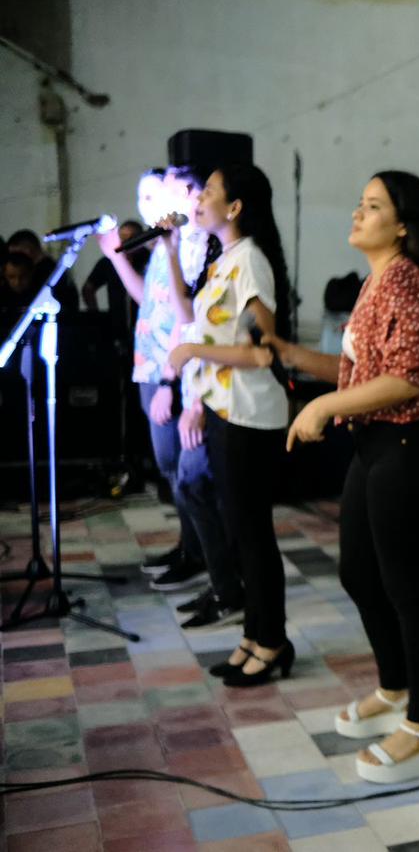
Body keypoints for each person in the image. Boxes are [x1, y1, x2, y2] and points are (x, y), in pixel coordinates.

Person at [266, 171, 419, 783]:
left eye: (373, 206)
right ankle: (395, 688)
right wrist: (294, 357)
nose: (358, 213)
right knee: (359, 571)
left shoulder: (405, 278)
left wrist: (322, 406)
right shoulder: (377, 281)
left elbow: (406, 378)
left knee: (405, 584)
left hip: (411, 442)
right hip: (379, 441)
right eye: (359, 202)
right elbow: (363, 371)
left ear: (403, 224)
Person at [168, 164, 292, 685]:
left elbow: (264, 352)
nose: (199, 199)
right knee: (241, 533)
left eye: (209, 192)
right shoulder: (225, 261)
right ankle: (253, 634)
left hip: (251, 415)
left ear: (235, 206)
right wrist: (169, 246)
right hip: (224, 411)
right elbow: (189, 314)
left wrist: (195, 350)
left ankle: (272, 642)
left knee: (253, 534)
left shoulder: (251, 263)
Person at [96, 168, 227, 610]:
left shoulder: (200, 247)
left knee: (189, 473)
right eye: (145, 197)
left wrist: (171, 383)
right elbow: (150, 302)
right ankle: (191, 550)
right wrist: (116, 258)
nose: (152, 204)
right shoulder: (164, 245)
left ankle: (212, 566)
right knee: (173, 472)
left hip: (180, 375)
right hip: (151, 365)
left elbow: (188, 316)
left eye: (163, 192)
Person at [5, 229, 79, 316]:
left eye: (16, 256)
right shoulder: (54, 268)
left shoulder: (45, 272)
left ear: (28, 250)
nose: (14, 261)